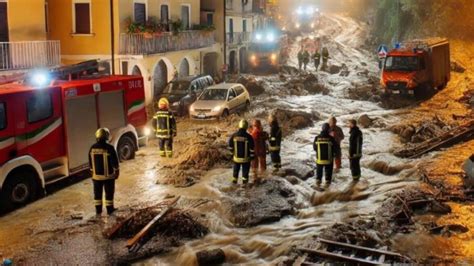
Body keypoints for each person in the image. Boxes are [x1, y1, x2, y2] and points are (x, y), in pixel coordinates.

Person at [89, 128, 120, 215]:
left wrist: (92, 172)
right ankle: (110, 210)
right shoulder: (110, 148)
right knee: (109, 193)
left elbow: (90, 163)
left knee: (97, 195)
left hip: (96, 177)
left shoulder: (92, 148)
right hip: (108, 177)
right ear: (106, 136)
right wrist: (117, 171)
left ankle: (98, 211)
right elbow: (115, 162)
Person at [228, 120, 255, 184]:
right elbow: (252, 149)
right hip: (246, 160)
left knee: (235, 174)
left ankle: (234, 185)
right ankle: (245, 186)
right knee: (245, 175)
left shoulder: (234, 136)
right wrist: (252, 157)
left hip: (236, 159)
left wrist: (232, 155)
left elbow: (230, 146)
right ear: (246, 127)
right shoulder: (249, 137)